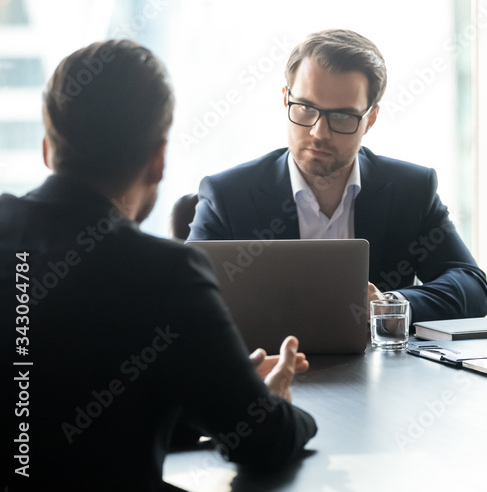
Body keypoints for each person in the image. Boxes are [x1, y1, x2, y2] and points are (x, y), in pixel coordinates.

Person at [1, 40, 317, 490]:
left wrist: (211, 379)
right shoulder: (164, 273)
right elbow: (261, 441)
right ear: (158, 160)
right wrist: (273, 402)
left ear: (49, 149)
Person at [188, 29, 487, 322]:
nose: (319, 132)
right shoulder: (228, 195)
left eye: (342, 116)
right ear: (285, 99)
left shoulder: (410, 191)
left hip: (380, 371)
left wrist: (389, 304)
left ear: (370, 119)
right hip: (268, 367)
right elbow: (187, 299)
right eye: (306, 108)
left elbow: (472, 286)